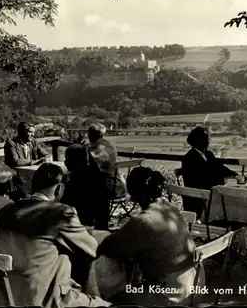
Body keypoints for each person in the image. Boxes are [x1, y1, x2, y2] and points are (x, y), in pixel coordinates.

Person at [0, 163, 111, 308]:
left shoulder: (6, 211)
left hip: (9, 295)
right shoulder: (60, 213)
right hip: (47, 298)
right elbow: (93, 249)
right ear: (59, 188)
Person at [97, 167, 204, 306]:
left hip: (171, 293)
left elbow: (109, 247)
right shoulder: (171, 209)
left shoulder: (143, 221)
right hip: (195, 284)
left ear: (133, 193)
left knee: (112, 299)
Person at [181, 126, 240, 218]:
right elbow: (197, 181)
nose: (209, 141)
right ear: (199, 140)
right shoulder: (189, 158)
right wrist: (221, 182)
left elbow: (220, 168)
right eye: (207, 138)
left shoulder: (208, 154)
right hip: (199, 199)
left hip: (210, 194)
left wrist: (236, 175)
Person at [87, 123, 127, 230]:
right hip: (119, 186)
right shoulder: (110, 146)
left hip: (106, 191)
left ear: (89, 135)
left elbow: (86, 169)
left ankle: (93, 225)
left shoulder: (92, 149)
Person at [62, 144, 102, 228]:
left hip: (78, 223)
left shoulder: (75, 183)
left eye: (66, 159)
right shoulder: (94, 175)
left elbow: (64, 205)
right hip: (95, 222)